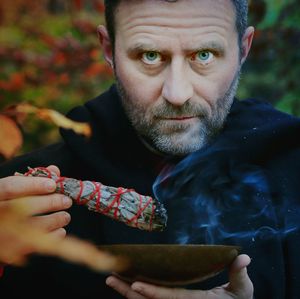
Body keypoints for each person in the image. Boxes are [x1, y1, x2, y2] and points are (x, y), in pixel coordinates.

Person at [0, 0, 299, 298]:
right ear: (109, 50)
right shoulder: (18, 194)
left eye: (204, 55)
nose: (178, 93)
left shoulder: (293, 167)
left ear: (243, 48)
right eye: (150, 55)